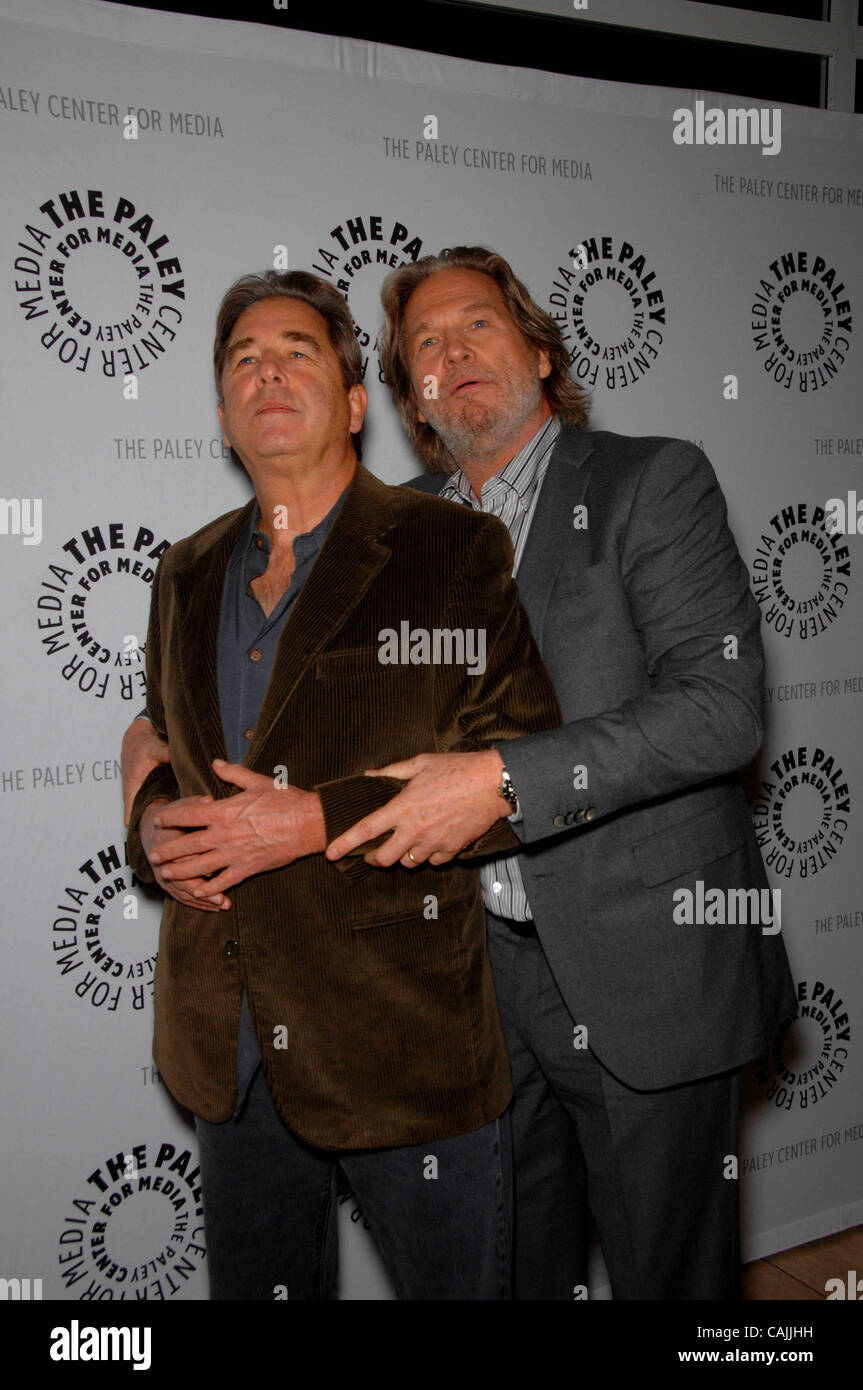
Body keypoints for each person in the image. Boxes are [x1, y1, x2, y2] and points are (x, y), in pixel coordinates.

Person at [326, 245, 798, 1300]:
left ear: (539, 351)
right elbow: (315, 687)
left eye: (477, 325)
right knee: (512, 1269)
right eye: (425, 349)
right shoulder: (395, 533)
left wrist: (496, 782)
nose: (453, 352)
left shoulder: (649, 479)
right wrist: (158, 733)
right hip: (476, 988)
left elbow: (720, 708)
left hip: (647, 967)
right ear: (412, 399)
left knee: (670, 1280)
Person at [124, 268, 561, 1301]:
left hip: (401, 1049)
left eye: (296, 350)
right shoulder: (181, 573)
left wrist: (317, 820)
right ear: (227, 418)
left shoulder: (449, 551)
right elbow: (162, 737)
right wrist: (151, 826)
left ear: (357, 403)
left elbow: (522, 768)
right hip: (226, 1048)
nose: (266, 370)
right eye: (243, 360)